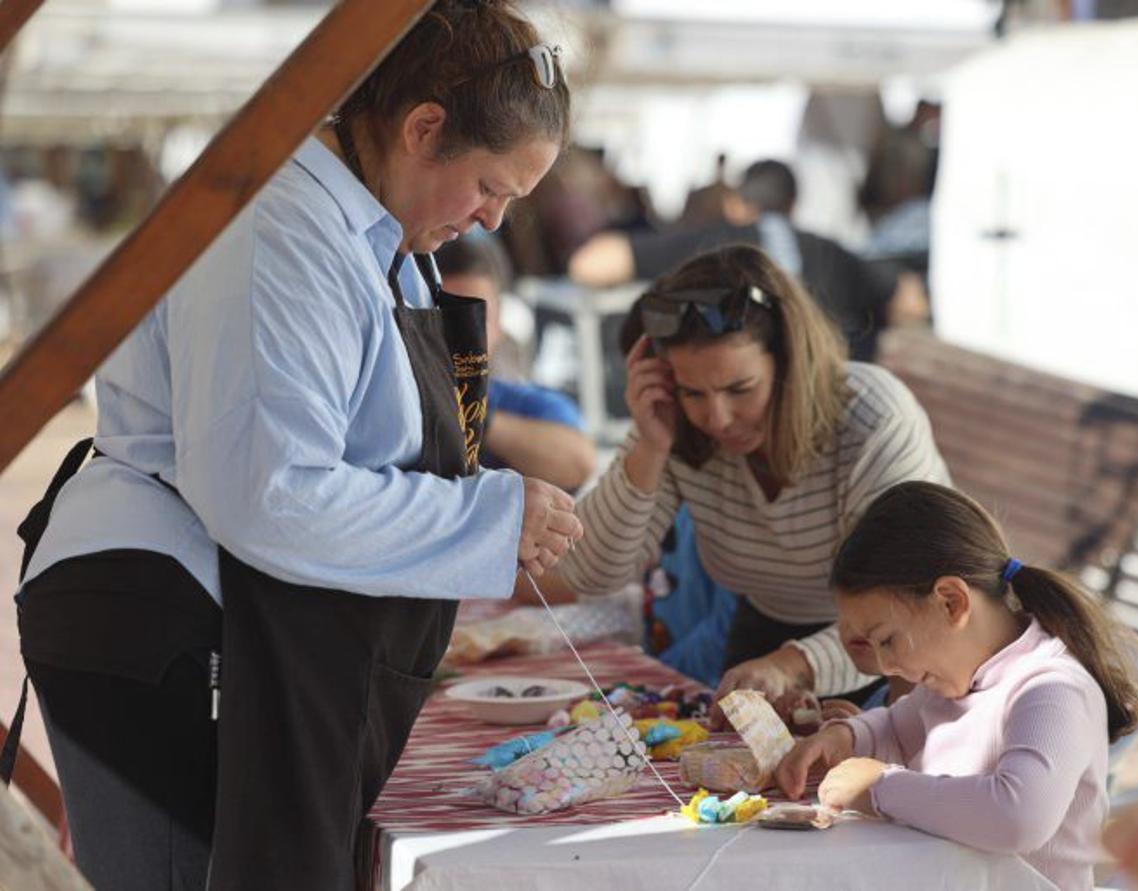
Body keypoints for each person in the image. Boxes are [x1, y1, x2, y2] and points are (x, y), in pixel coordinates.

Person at [11, 3, 581, 890]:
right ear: (422, 127)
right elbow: (266, 492)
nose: (494, 220)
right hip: (174, 621)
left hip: (227, 623)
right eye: (490, 187)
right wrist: (490, 515)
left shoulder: (369, 233)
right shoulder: (275, 231)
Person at [552, 244, 950, 722]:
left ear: (791, 365)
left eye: (740, 389)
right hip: (766, 638)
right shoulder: (675, 423)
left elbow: (902, 610)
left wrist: (794, 665)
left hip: (905, 652)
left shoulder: (871, 417)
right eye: (691, 391)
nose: (716, 418)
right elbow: (591, 574)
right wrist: (649, 447)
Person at [776, 481, 1138, 891]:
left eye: (888, 640)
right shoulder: (954, 678)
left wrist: (880, 787)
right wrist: (847, 737)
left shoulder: (1052, 689)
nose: (885, 665)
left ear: (951, 602)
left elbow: (1017, 818)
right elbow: (896, 729)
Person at [567, 159, 928, 360]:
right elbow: (910, 299)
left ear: (735, 204)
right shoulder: (828, 250)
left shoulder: (716, 243)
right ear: (792, 205)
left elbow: (591, 264)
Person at [436, 235, 596, 491]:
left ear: (499, 325)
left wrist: (469, 415)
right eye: (443, 317)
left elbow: (578, 463)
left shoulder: (531, 405)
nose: (461, 335)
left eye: (476, 318)